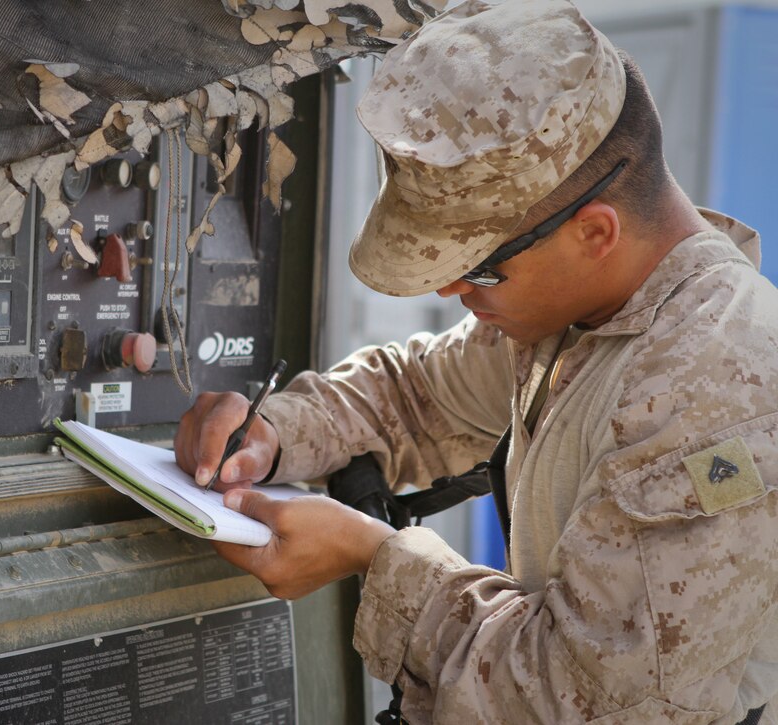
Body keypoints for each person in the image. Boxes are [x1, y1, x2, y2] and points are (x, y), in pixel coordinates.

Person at [173, 0, 778, 722]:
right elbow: (418, 395)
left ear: (594, 233)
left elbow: (580, 699)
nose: (448, 289)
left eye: (479, 268)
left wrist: (375, 556)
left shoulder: (711, 382)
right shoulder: (584, 311)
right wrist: (272, 433)